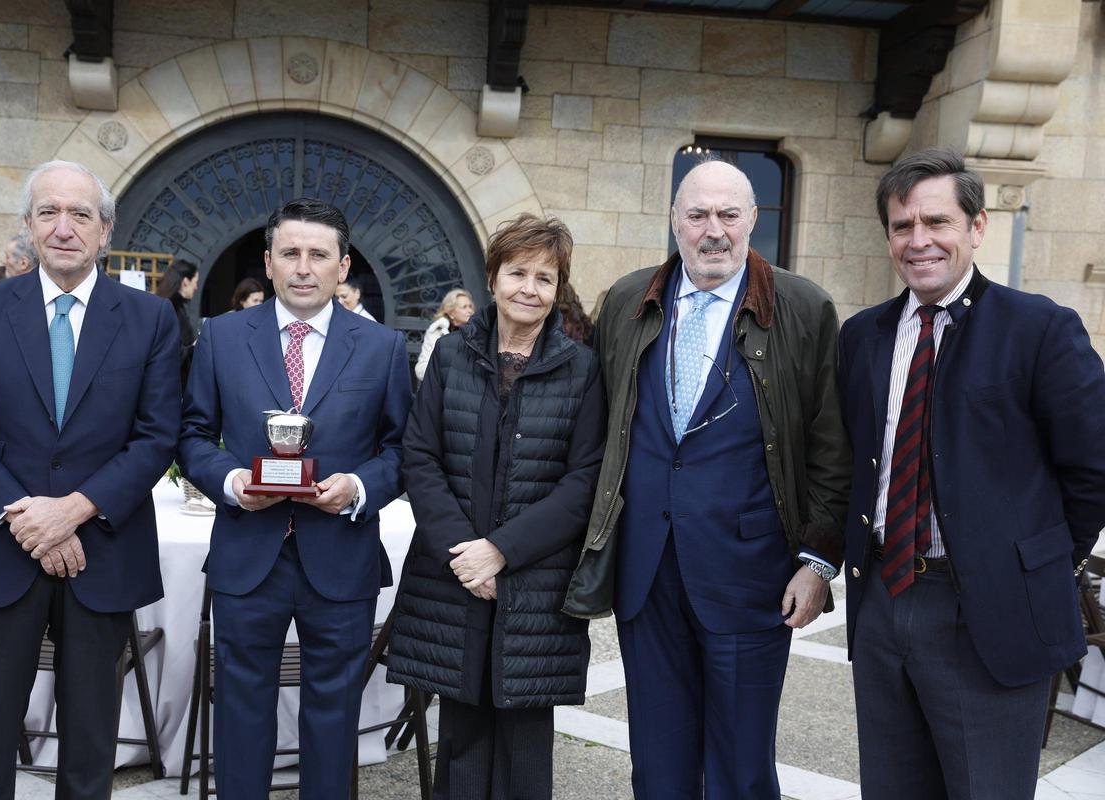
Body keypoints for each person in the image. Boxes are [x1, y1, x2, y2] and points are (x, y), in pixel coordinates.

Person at [564, 159, 851, 799]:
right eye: (697, 215)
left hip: (751, 573)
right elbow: (601, 420)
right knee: (659, 767)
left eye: (728, 214)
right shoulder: (628, 299)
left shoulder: (803, 308)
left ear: (753, 219)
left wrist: (818, 559)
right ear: (675, 221)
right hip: (648, 574)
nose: (712, 230)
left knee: (740, 769)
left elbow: (832, 447)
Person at [838, 148, 1105, 799]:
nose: (920, 240)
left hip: (989, 613)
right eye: (903, 226)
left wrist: (1034, 566)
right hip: (883, 601)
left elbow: (1093, 467)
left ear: (977, 226)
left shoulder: (1039, 328)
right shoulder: (862, 337)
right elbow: (852, 460)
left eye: (938, 222)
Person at [0, 160, 180, 799]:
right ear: (29, 227)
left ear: (105, 231)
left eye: (80, 215)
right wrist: (26, 513)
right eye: (48, 213)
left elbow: (155, 438)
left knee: (92, 737)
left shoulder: (149, 319)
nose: (64, 228)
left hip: (103, 552)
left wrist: (74, 510)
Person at [177, 198, 412, 799]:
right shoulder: (221, 338)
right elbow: (193, 434)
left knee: (334, 717)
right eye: (291, 253)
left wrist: (358, 488)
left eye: (318, 254)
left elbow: (403, 449)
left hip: (341, 554)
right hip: (247, 553)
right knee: (239, 711)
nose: (304, 267)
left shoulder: (382, 347)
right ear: (269, 261)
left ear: (343, 265)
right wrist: (232, 483)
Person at [387, 213, 605, 800]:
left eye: (545, 277)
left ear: (559, 288)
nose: (529, 289)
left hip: (535, 579)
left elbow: (584, 480)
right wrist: (466, 553)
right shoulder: (453, 354)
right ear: (492, 278)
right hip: (452, 572)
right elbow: (420, 457)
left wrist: (502, 552)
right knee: (459, 733)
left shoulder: (581, 368)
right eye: (517, 273)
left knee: (524, 739)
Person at [414, 287, 474, 381]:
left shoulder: (477, 332)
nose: (470, 310)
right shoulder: (437, 332)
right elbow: (421, 369)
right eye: (464, 307)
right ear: (451, 313)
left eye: (470, 306)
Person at [155, 259, 199, 387]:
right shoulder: (171, 308)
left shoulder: (167, 305)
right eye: (195, 282)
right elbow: (172, 352)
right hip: (170, 384)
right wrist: (195, 346)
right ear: (185, 282)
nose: (196, 287)